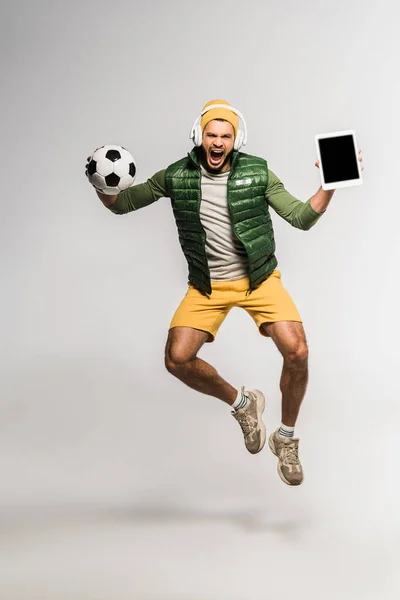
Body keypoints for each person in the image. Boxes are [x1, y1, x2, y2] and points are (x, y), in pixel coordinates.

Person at [86, 100, 363, 486]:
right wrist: (102, 183)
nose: (217, 143)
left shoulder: (258, 171)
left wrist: (328, 186)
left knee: (297, 350)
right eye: (211, 135)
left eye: (225, 135)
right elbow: (122, 205)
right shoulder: (176, 175)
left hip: (259, 280)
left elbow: (301, 218)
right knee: (177, 359)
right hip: (207, 286)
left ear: (237, 139)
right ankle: (243, 404)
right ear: (199, 137)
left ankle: (285, 439)